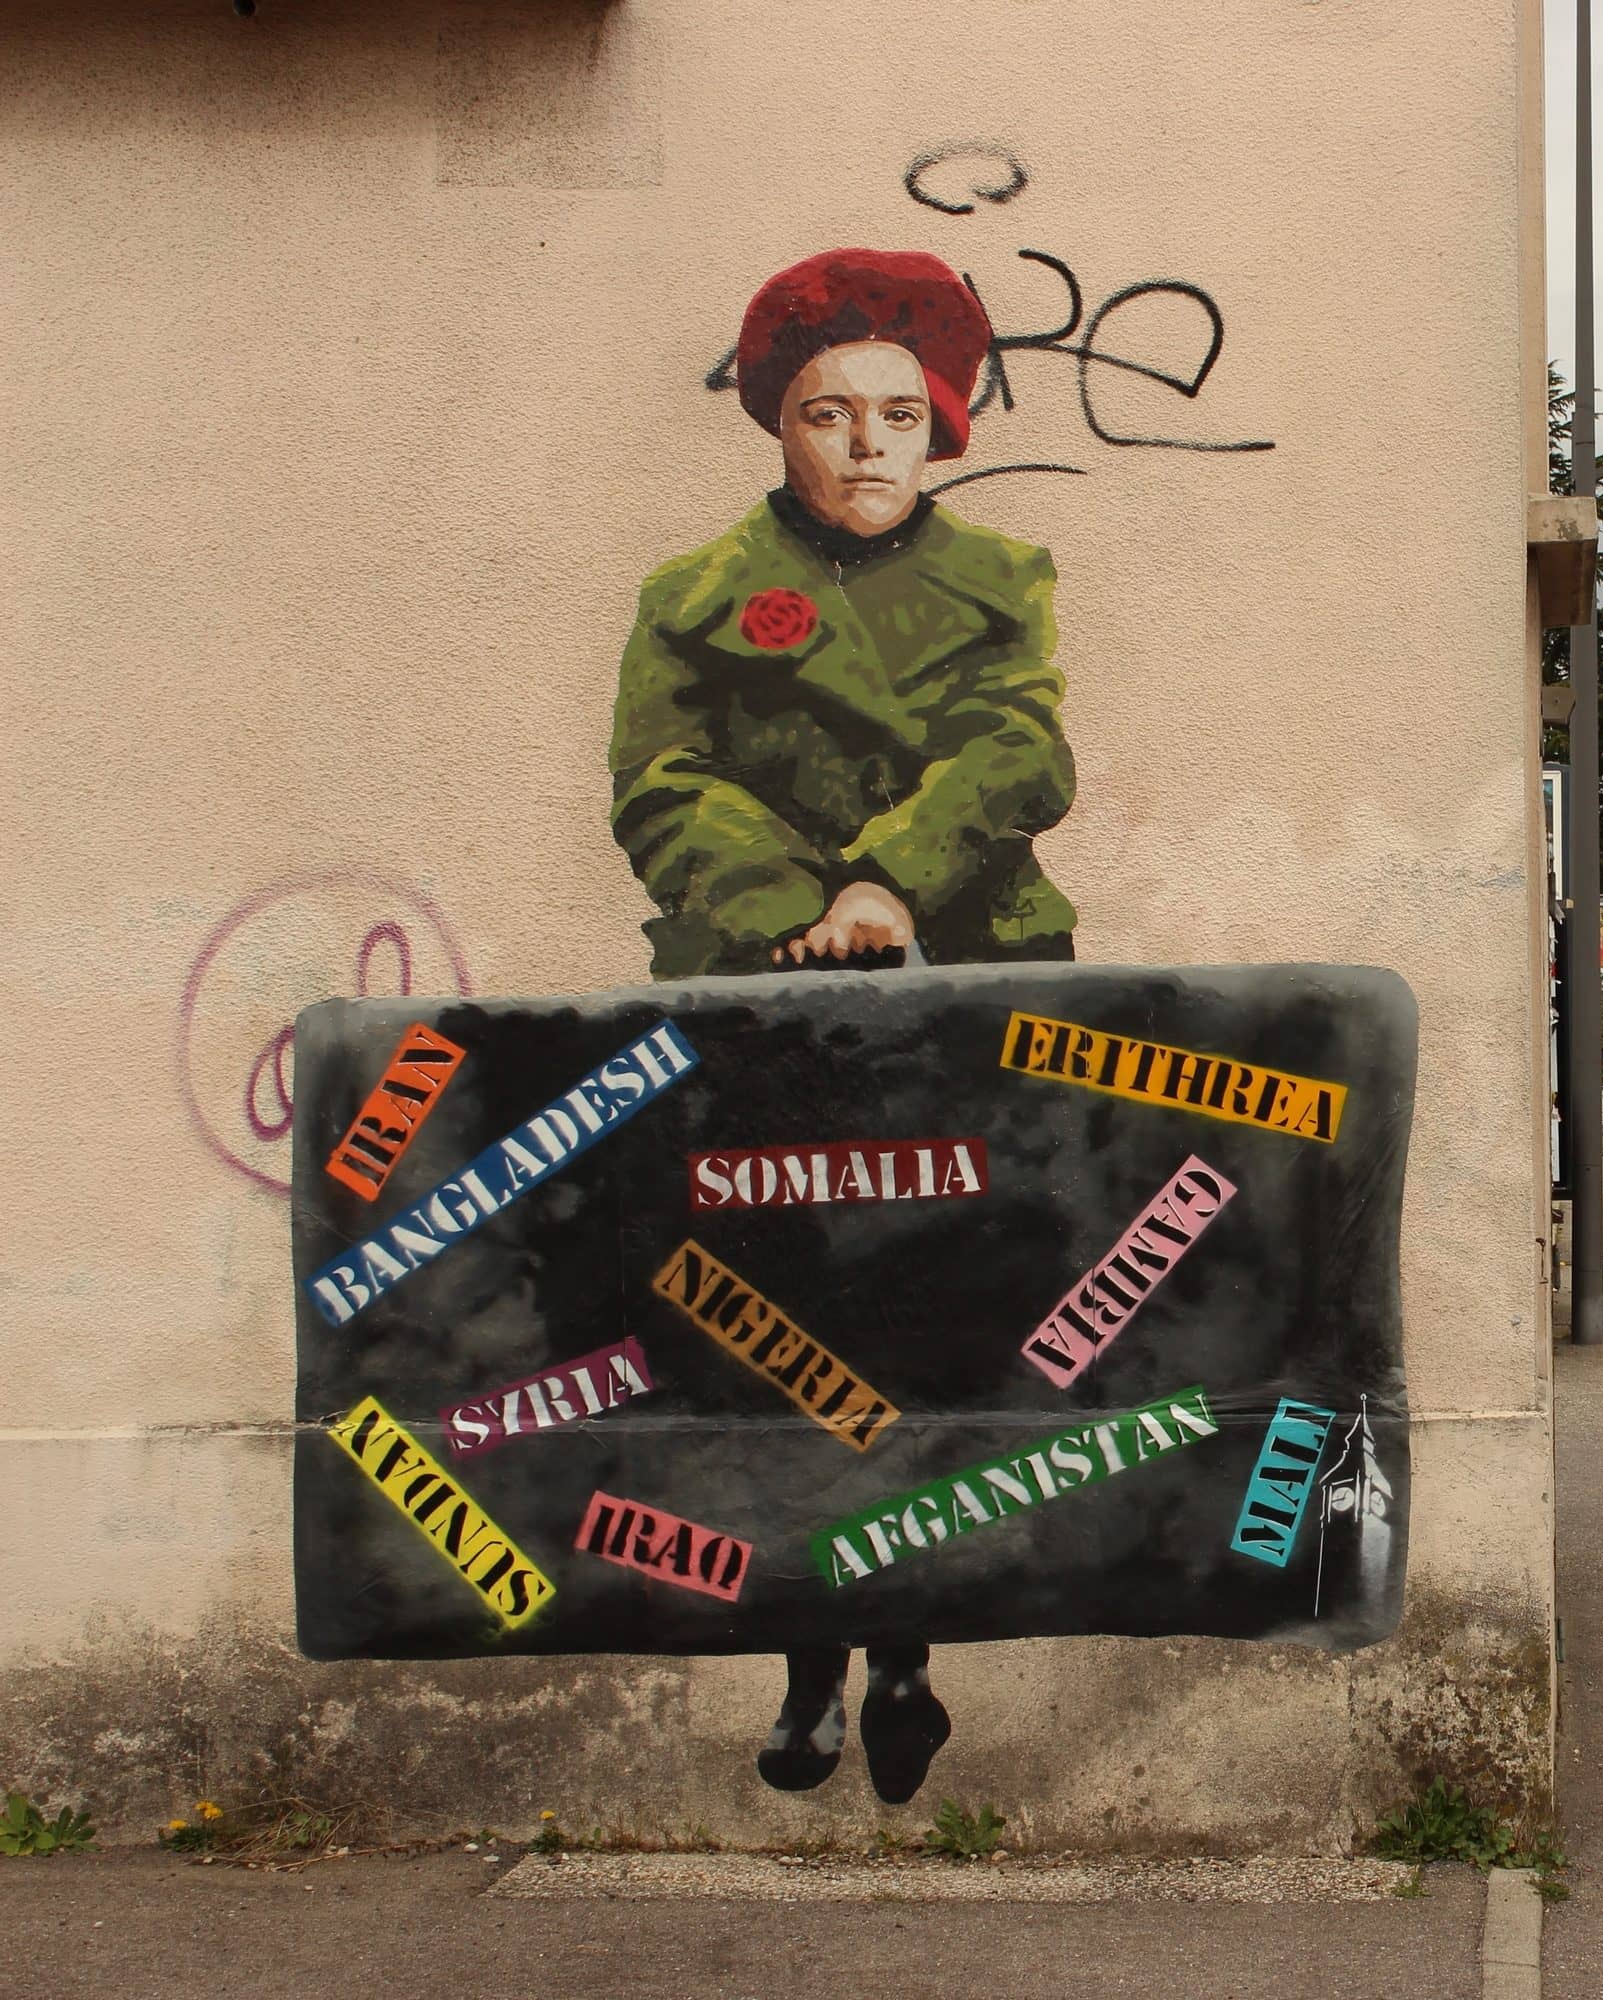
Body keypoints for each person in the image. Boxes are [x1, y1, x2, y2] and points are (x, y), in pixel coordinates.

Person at [607, 247, 1079, 1807]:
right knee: (775, 1330)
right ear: (779, 427)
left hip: (963, 995)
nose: (867, 442)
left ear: (941, 422)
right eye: (827, 411)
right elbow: (661, 790)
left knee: (941, 1324)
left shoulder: (1002, 582)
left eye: (898, 410)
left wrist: (890, 882)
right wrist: (790, 909)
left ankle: (903, 1648)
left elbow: (1017, 752)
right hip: (762, 1006)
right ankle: (815, 1653)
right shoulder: (689, 600)